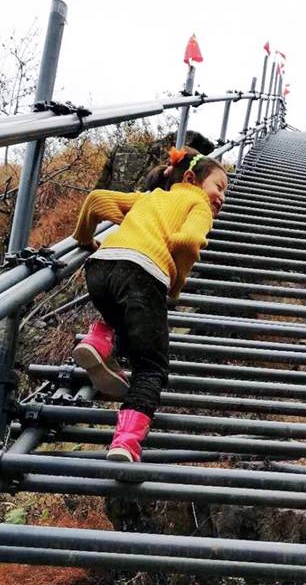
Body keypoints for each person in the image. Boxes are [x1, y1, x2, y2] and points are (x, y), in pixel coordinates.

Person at [71, 146, 228, 463]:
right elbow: (188, 242)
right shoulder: (198, 205)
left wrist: (85, 239)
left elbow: (96, 200)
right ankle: (125, 442)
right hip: (143, 274)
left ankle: (99, 339)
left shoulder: (149, 197)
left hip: (100, 267)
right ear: (191, 179)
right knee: (151, 367)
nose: (222, 197)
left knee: (121, 313)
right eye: (220, 187)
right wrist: (176, 284)